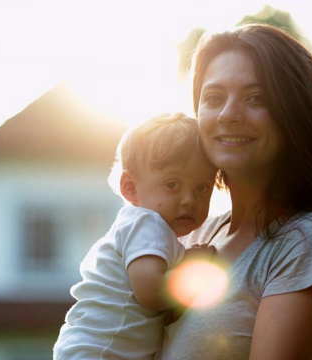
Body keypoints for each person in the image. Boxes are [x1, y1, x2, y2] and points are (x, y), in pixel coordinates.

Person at [155, 23, 312, 360]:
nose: (229, 114)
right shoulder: (196, 232)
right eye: (214, 98)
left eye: (256, 98)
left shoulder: (307, 243)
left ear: (295, 115)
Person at [53, 112, 218, 359]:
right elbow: (150, 291)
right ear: (130, 187)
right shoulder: (146, 223)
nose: (189, 200)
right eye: (173, 184)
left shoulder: (154, 232)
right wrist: (193, 268)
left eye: (202, 188)